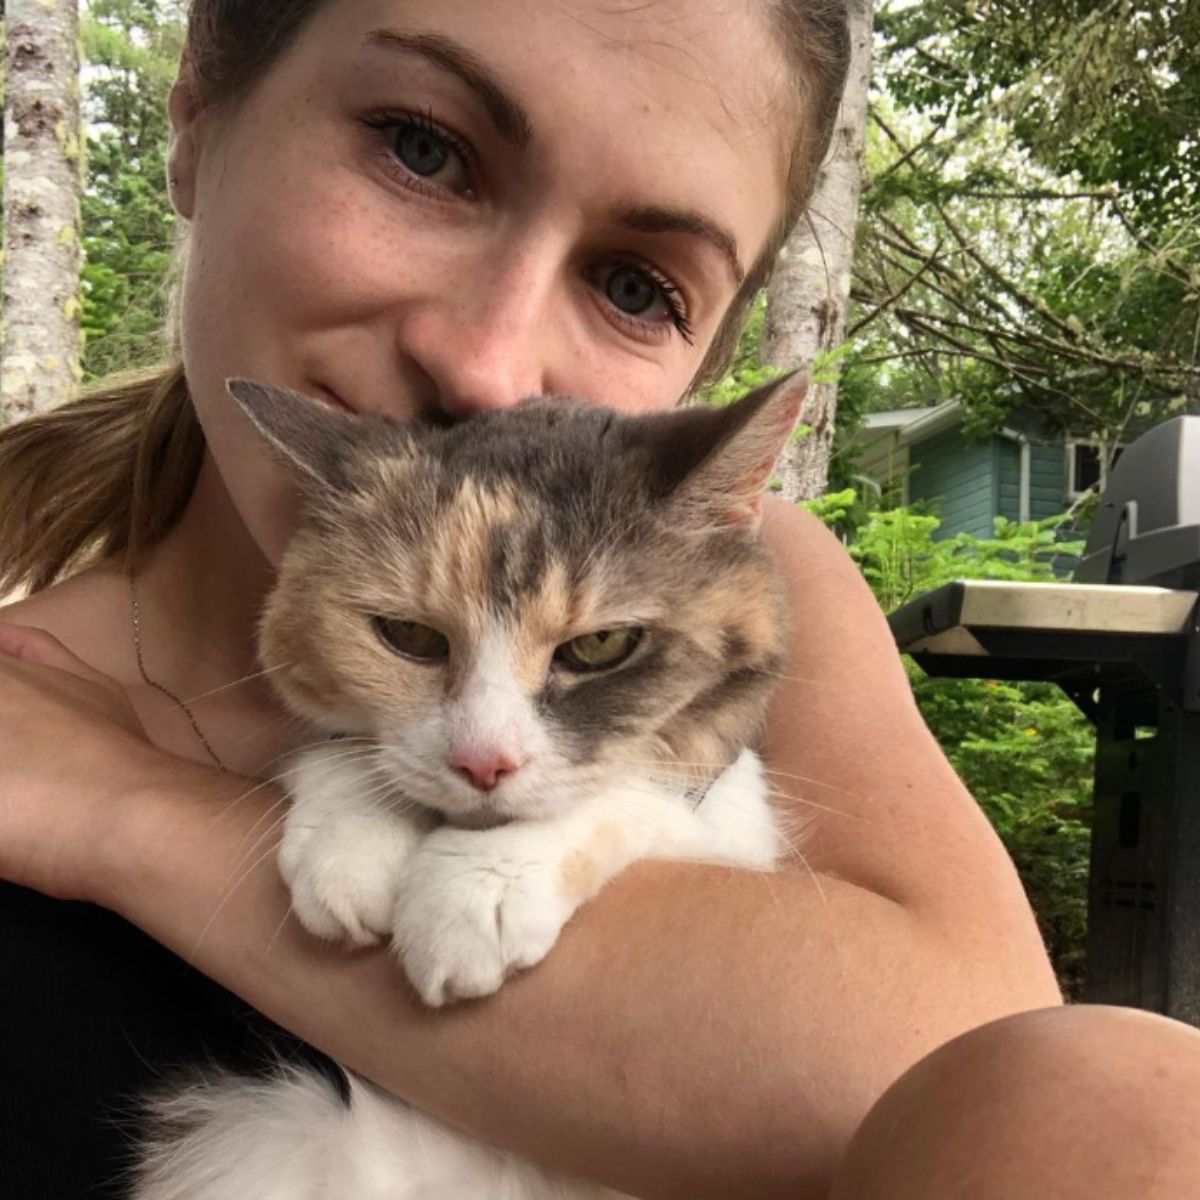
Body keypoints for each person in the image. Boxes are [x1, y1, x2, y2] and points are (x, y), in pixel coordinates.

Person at [1, 2, 1199, 1197]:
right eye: (422, 148)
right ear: (200, 93)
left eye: (636, 285)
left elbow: (1013, 1097)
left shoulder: (733, 594)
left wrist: (129, 814)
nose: (486, 365)